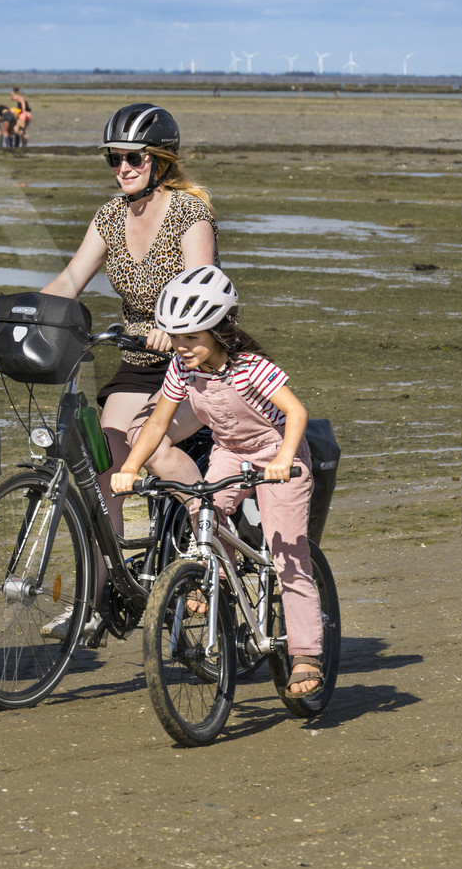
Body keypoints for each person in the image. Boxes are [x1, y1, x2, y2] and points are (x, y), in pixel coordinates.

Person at [39, 104, 217, 638]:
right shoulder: (109, 217)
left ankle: (205, 558)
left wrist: (174, 326)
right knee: (100, 470)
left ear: (160, 160)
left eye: (132, 158)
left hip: (193, 360)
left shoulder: (190, 215)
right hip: (138, 364)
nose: (122, 168)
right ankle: (97, 599)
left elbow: (203, 289)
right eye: (114, 159)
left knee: (153, 447)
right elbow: (71, 279)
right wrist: (24, 313)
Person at [110, 267, 323, 694]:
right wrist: (131, 467)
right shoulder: (182, 370)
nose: (181, 347)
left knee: (288, 556)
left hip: (279, 454)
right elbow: (157, 424)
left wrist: (283, 459)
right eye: (175, 337)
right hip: (230, 452)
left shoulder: (252, 368)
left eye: (191, 337)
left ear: (220, 331)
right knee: (206, 514)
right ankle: (214, 577)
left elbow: (296, 412)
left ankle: (306, 653)